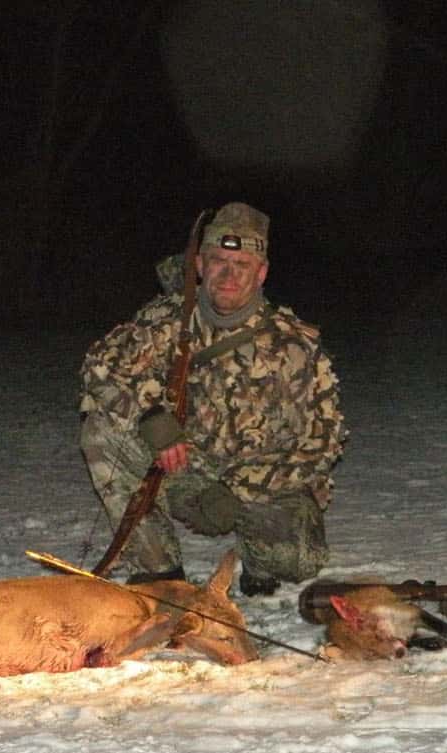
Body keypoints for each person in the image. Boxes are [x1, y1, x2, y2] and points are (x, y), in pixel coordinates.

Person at [79, 202, 346, 596]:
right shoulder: (168, 318)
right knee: (102, 432)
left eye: (242, 264)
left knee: (297, 559)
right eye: (219, 260)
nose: (228, 274)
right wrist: (153, 417)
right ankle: (158, 567)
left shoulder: (294, 345)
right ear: (200, 265)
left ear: (262, 273)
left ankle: (256, 562)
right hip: (185, 464)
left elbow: (323, 443)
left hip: (255, 481)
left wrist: (238, 493)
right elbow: (100, 367)